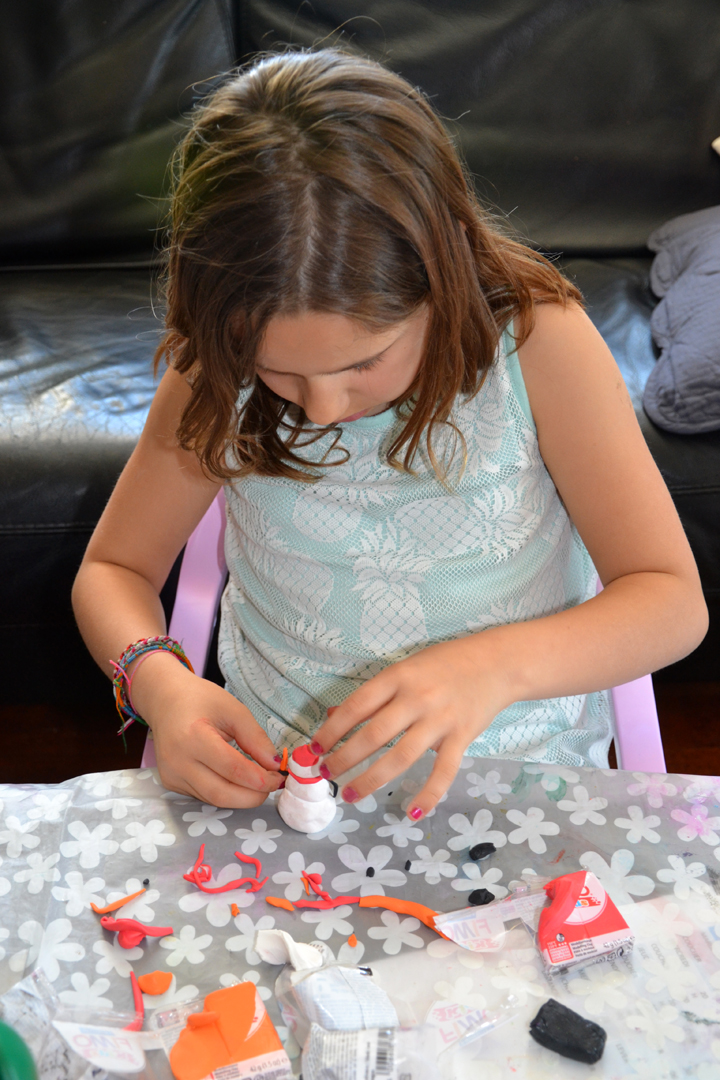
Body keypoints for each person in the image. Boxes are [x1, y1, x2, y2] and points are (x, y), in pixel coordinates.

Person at [72, 49, 707, 818]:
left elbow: (671, 600)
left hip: (515, 777)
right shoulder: (217, 365)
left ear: (442, 273)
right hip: (280, 781)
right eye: (277, 372)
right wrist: (160, 685)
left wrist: (493, 667)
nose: (321, 409)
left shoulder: (540, 346)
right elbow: (114, 568)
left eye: (363, 362)